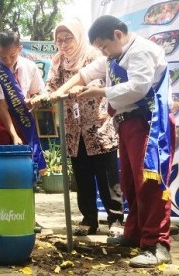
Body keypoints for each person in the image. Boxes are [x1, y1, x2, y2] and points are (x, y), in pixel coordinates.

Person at [51, 15, 174, 268]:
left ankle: (157, 244)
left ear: (117, 35)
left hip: (148, 124)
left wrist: (101, 92)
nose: (103, 53)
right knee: (129, 183)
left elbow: (139, 87)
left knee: (149, 182)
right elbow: (86, 74)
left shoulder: (141, 51)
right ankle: (135, 235)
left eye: (104, 46)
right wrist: (57, 93)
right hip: (127, 123)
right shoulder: (114, 56)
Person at [43, 18, 124, 236]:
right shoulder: (58, 62)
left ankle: (115, 220)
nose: (63, 44)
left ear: (77, 36)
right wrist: (45, 95)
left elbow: (102, 81)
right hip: (73, 129)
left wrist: (83, 88)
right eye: (59, 40)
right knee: (82, 176)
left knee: (107, 177)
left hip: (98, 126)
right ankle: (89, 219)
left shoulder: (94, 55)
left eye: (68, 38)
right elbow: (51, 87)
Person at [0, 30, 46, 173]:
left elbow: (38, 92)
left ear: (20, 48)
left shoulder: (30, 67)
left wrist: (35, 99)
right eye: (2, 56)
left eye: (12, 56)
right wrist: (14, 135)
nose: (7, 61)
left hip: (22, 117)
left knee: (23, 165)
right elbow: (1, 106)